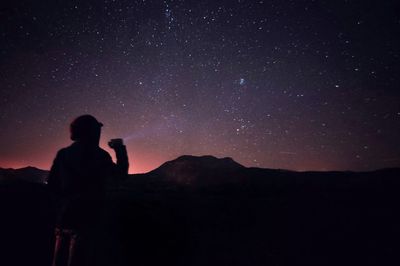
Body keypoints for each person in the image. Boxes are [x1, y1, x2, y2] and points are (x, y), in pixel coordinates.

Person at [47, 114, 129, 266]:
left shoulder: (63, 154)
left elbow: (52, 185)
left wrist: (60, 208)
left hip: (64, 219)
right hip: (87, 221)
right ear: (93, 132)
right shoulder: (101, 156)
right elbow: (120, 175)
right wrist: (119, 149)